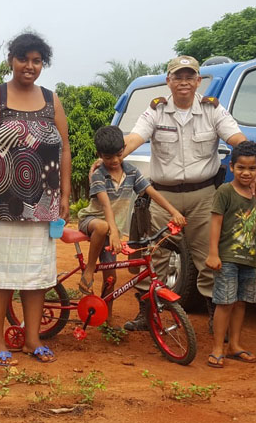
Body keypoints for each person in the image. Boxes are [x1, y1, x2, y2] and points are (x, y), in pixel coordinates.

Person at [119, 55, 256, 332]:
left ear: (197, 81)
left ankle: (213, 318)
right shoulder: (155, 112)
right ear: (168, 81)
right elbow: (135, 137)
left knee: (209, 257)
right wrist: (113, 158)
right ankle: (148, 314)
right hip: (163, 197)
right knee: (154, 256)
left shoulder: (213, 111)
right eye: (177, 77)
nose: (183, 82)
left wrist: (255, 165)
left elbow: (236, 138)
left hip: (203, 196)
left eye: (189, 77)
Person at [0, 31, 71, 366]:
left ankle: (32, 339)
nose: (30, 66)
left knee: (36, 275)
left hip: (43, 203)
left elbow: (65, 148)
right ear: (11, 60)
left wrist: (65, 195)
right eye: (23, 59)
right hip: (0, 202)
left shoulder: (52, 100)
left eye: (37, 61)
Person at [77, 126, 186, 324]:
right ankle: (89, 269)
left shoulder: (132, 172)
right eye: (109, 157)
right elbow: (106, 205)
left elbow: (151, 192)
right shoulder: (98, 174)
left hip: (112, 230)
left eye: (119, 155)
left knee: (111, 278)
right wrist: (115, 232)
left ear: (124, 149)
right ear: (99, 155)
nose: (115, 161)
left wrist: (174, 212)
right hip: (92, 221)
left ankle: (107, 319)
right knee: (102, 227)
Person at [205, 141, 256, 367]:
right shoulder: (225, 191)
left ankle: (234, 345)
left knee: (241, 302)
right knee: (224, 302)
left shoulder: (255, 194)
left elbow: (252, 227)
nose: (246, 172)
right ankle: (217, 348)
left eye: (252, 168)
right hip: (227, 258)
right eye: (241, 167)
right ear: (231, 167)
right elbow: (215, 223)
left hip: (248, 259)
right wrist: (213, 253)